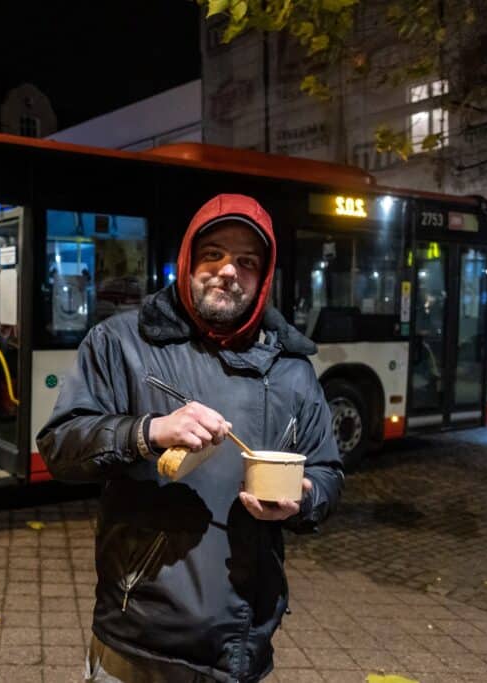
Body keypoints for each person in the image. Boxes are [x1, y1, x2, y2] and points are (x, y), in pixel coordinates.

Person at [37, 194, 344, 683]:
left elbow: (327, 471)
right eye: (213, 254)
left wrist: (305, 499)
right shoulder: (121, 342)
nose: (228, 271)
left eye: (246, 262)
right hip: (137, 640)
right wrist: (148, 431)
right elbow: (60, 447)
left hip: (244, 649)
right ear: (187, 261)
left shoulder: (294, 371)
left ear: (263, 277)